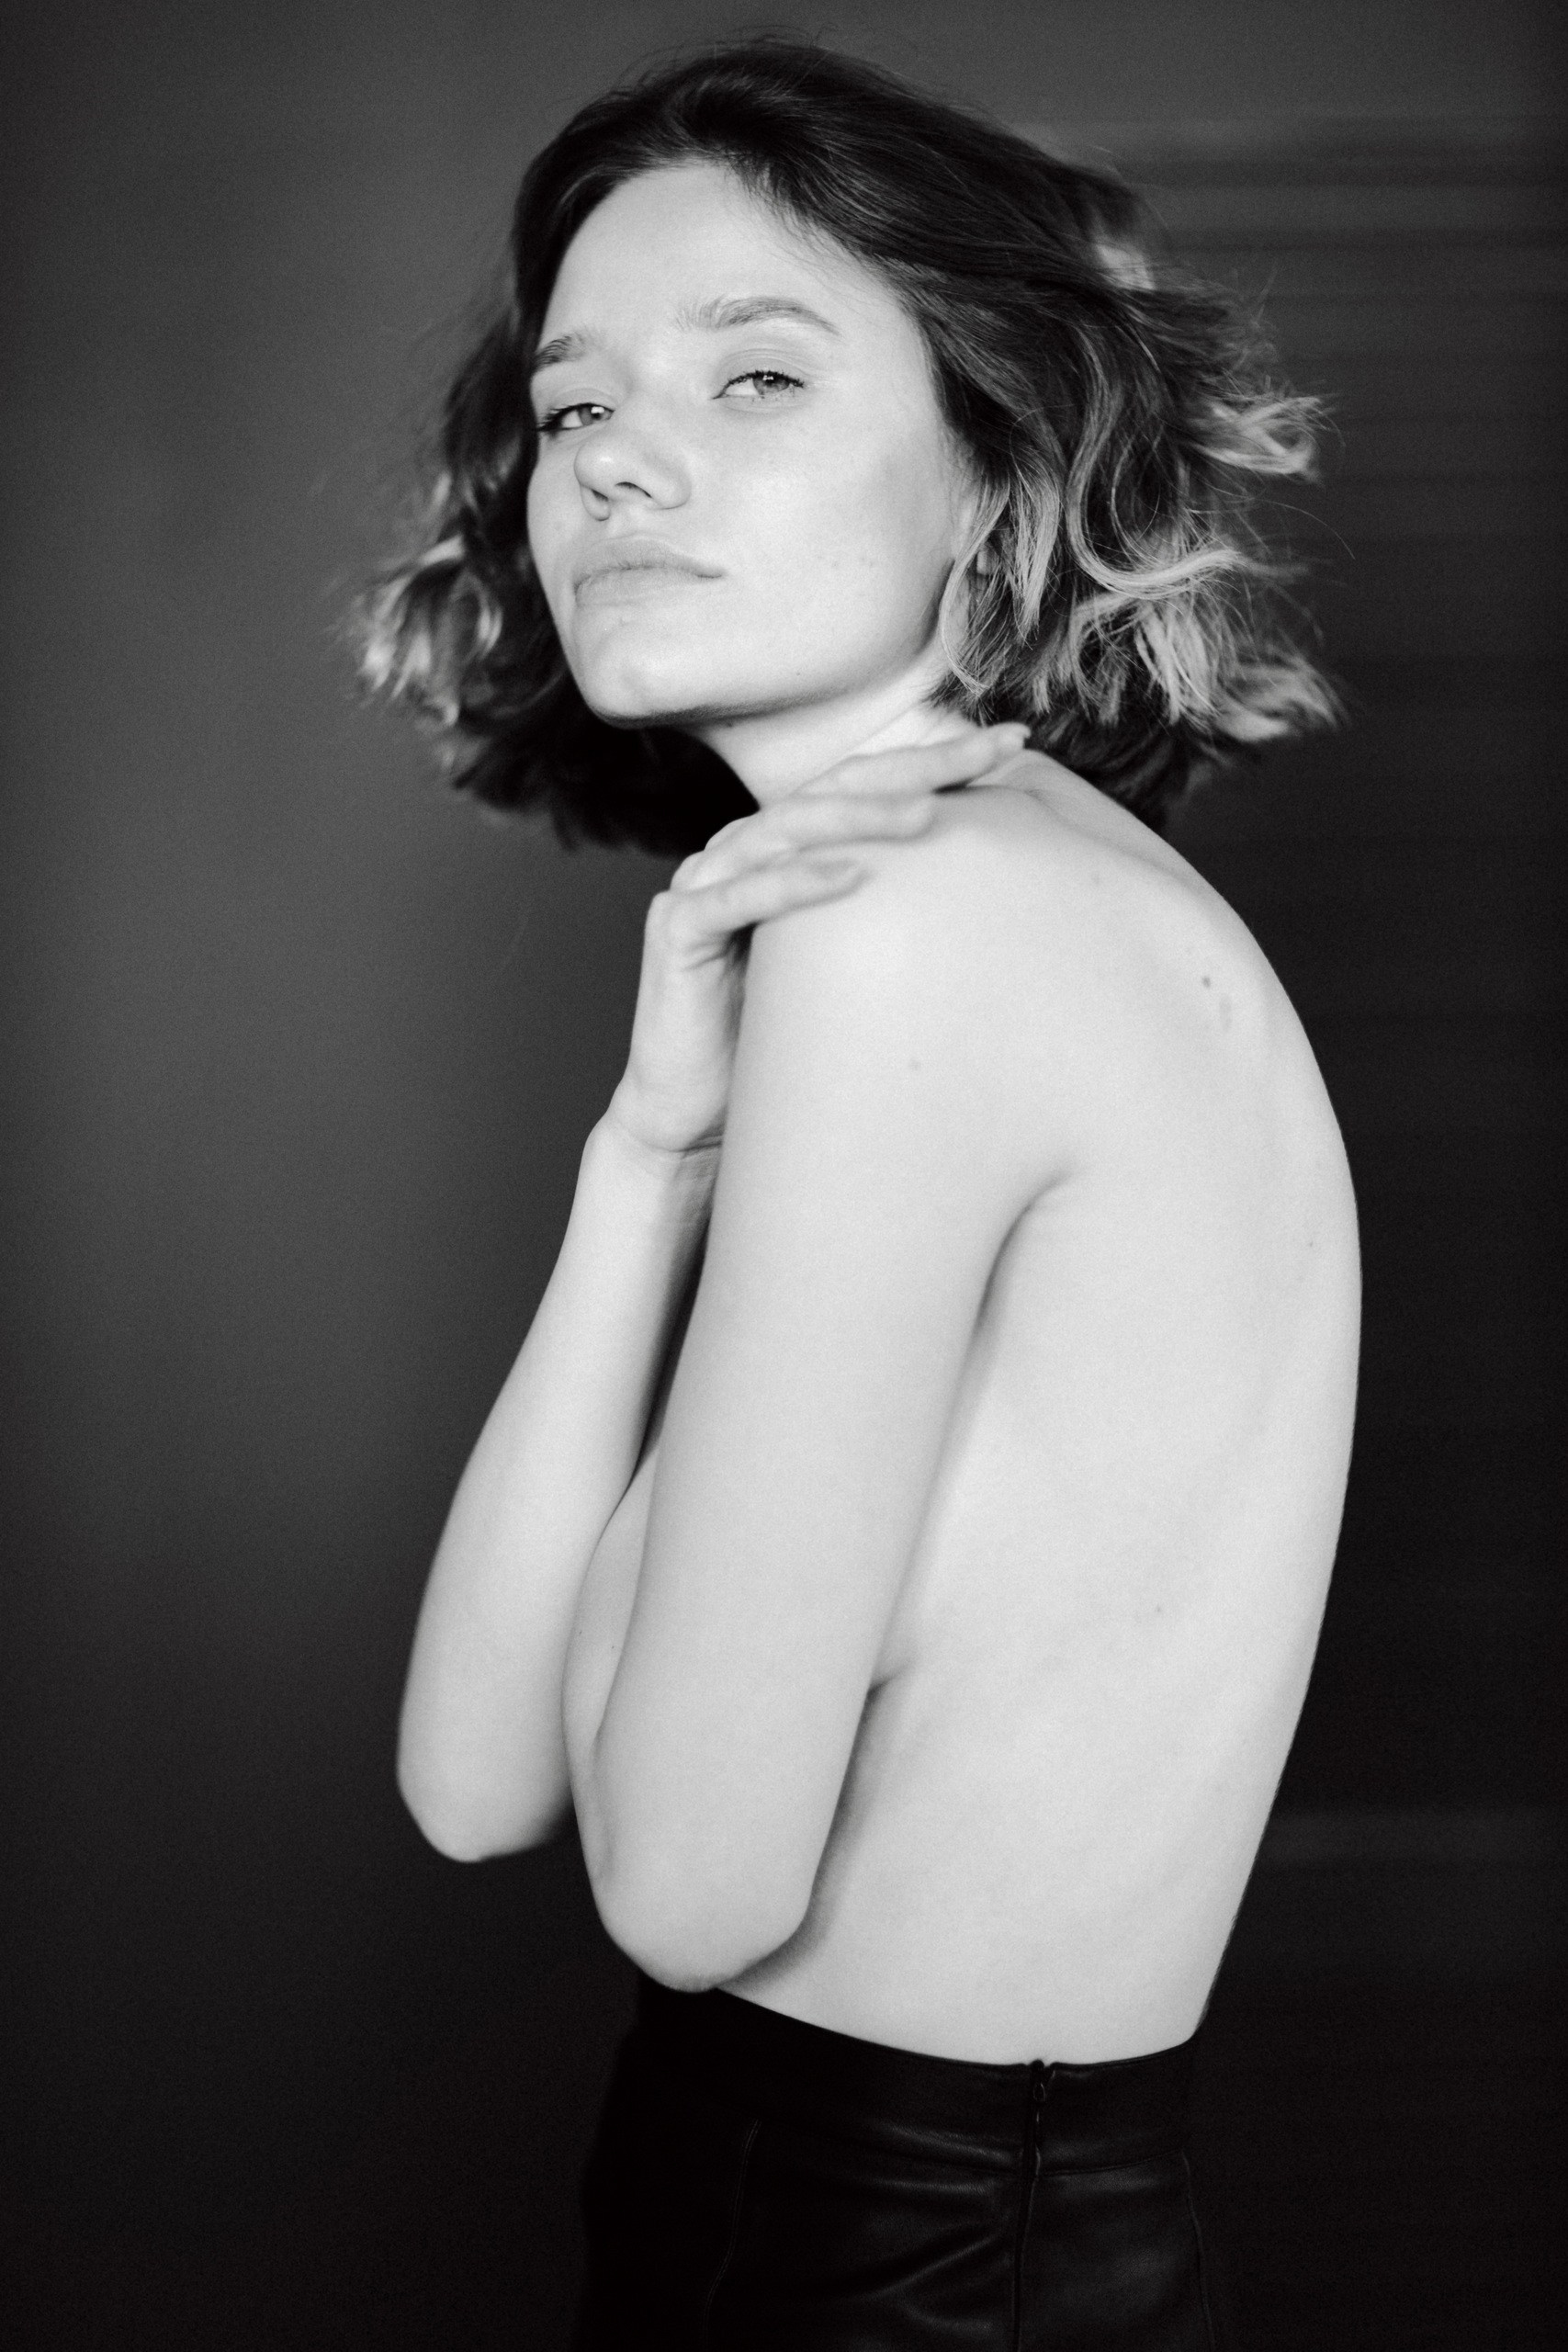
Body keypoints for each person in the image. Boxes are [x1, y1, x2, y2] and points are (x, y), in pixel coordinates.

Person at [362, 36, 1359, 2349]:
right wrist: (646, 1159)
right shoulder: (978, 896)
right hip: (935, 2236)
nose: (617, 458)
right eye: (576, 404)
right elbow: (469, 1782)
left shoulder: (925, 922)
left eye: (757, 374)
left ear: (993, 465)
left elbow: (686, 1880)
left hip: (887, 2270)